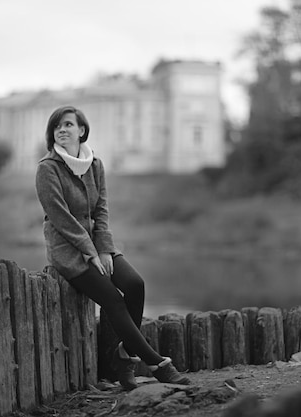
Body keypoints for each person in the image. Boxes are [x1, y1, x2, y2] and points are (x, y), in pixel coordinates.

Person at [35, 105, 191, 390]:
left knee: (135, 284)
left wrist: (104, 249)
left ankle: (123, 354)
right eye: (57, 126)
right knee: (112, 299)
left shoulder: (94, 165)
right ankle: (157, 364)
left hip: (97, 244)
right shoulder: (47, 169)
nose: (62, 130)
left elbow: (101, 210)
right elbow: (60, 217)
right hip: (67, 249)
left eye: (68, 124)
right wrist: (89, 252)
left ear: (81, 130)